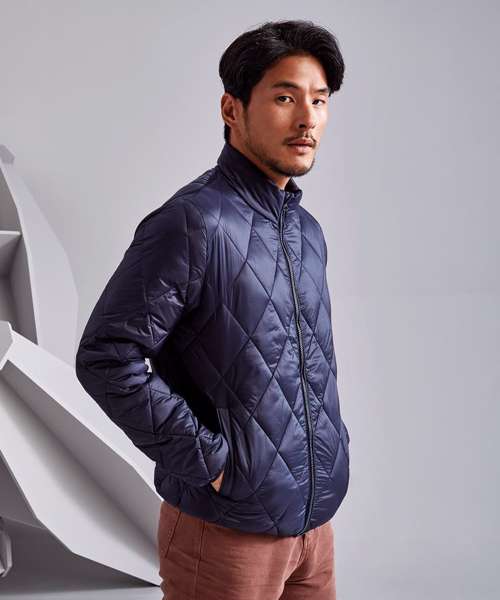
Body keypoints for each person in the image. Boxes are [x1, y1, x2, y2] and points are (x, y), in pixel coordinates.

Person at [75, 18, 350, 600]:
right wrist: (212, 462)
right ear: (232, 108)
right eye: (284, 98)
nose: (307, 119)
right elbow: (107, 356)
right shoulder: (192, 222)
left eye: (319, 100)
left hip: (315, 528)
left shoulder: (307, 232)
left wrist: (330, 452)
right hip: (225, 535)